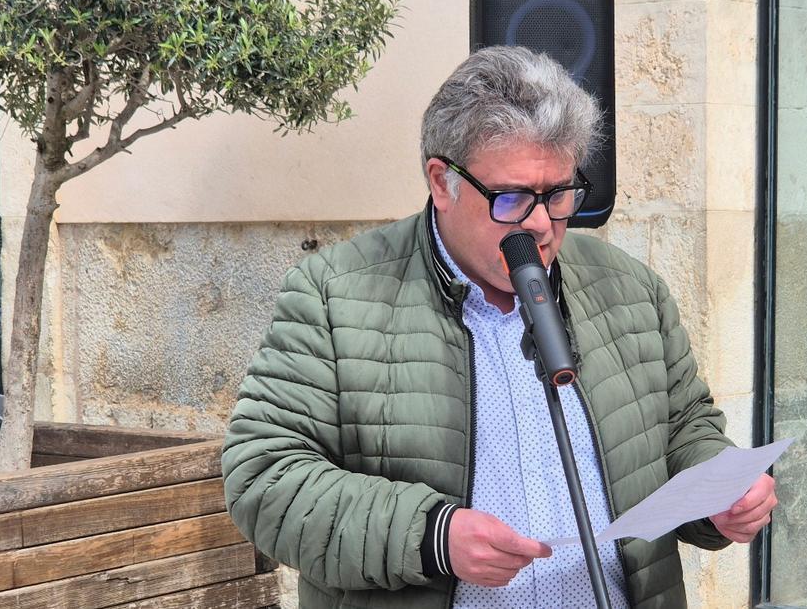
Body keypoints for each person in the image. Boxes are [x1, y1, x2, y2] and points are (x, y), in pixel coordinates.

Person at [222, 45, 778, 608]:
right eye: (511, 197)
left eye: (558, 193)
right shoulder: (333, 293)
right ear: (442, 183)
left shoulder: (631, 289)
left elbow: (682, 427)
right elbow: (265, 478)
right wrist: (433, 536)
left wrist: (721, 488)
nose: (540, 223)